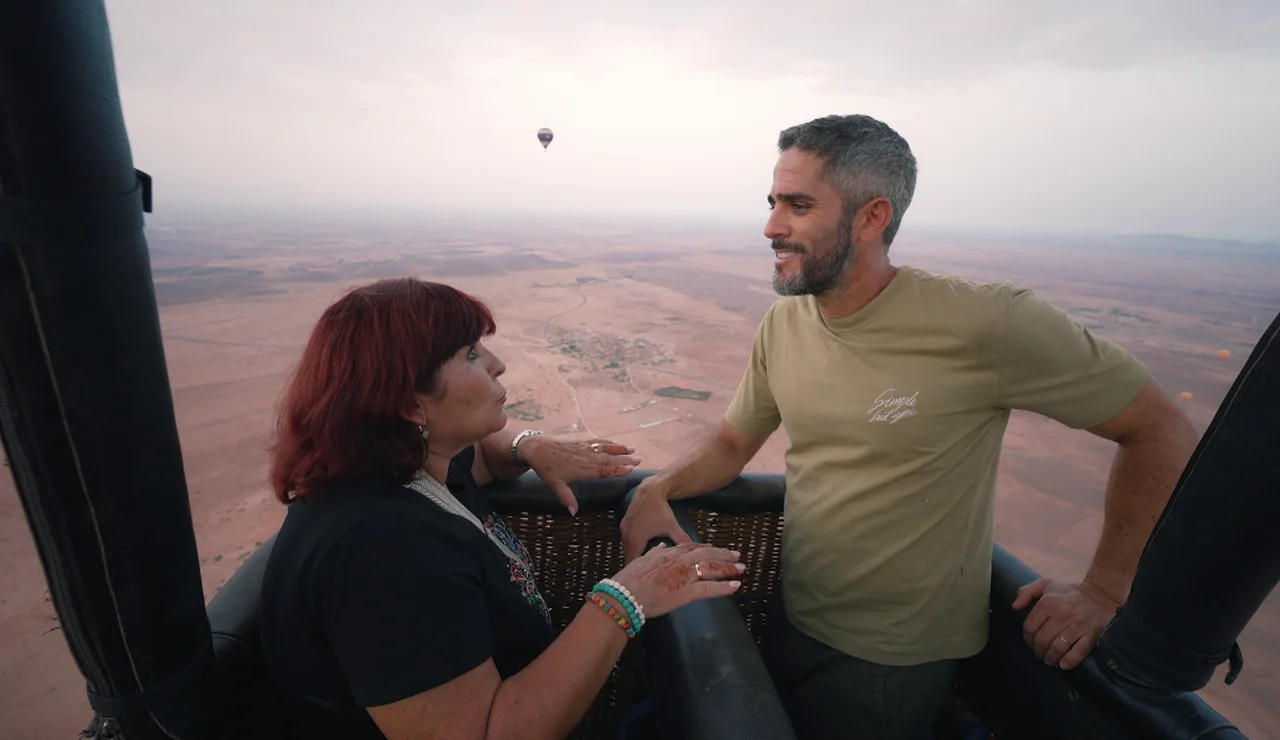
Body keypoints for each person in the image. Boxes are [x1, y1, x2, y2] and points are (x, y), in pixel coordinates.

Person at [619, 114, 1201, 740]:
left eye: (798, 205)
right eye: (772, 203)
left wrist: (1103, 590)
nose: (771, 227)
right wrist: (656, 487)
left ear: (872, 218)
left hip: (893, 659)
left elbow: (1160, 428)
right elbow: (733, 441)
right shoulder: (785, 324)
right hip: (795, 616)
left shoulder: (987, 323)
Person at [259, 277, 745, 740]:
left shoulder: (411, 467)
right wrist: (626, 598)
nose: (497, 364)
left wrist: (528, 446)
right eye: (471, 353)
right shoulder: (383, 550)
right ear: (410, 404)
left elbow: (490, 451)